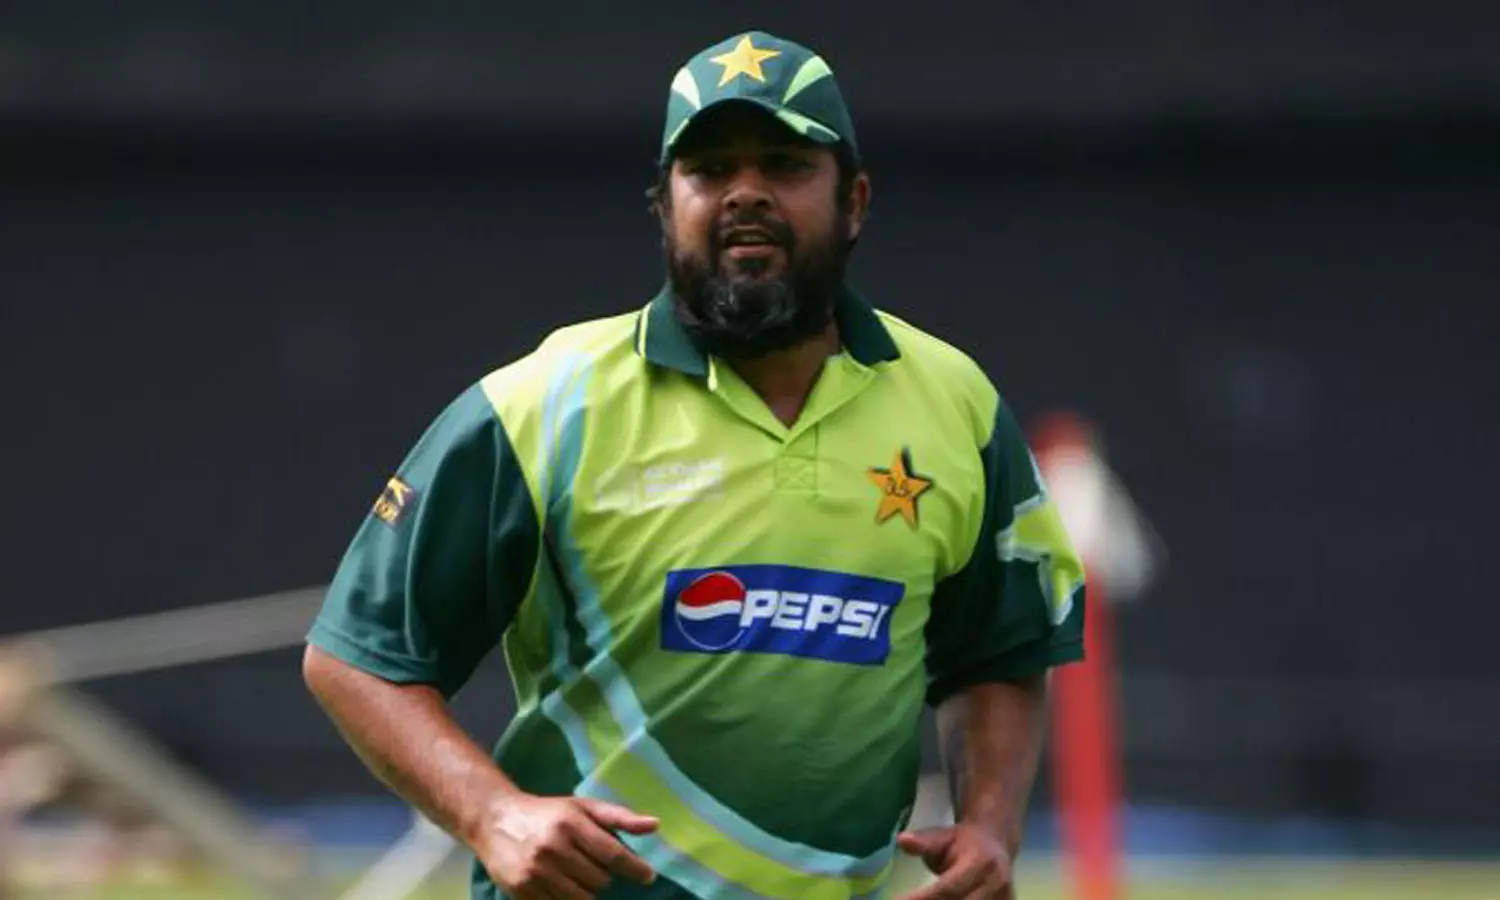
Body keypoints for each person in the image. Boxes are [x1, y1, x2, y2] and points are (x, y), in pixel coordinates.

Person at [303, 30, 1086, 900]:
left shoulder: (956, 404)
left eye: (785, 165)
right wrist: (493, 814)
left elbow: (1001, 651)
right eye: (710, 170)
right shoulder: (543, 403)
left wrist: (991, 825)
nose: (745, 193)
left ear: (855, 200)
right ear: (664, 205)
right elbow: (358, 657)